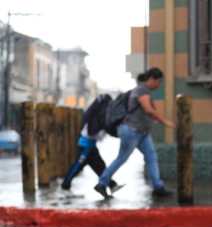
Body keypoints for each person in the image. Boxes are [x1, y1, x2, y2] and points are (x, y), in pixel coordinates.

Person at [94, 67, 175, 199]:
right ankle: (102, 183)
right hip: (131, 131)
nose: (159, 85)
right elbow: (148, 110)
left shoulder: (143, 90)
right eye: (158, 81)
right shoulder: (142, 90)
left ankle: (158, 186)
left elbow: (145, 113)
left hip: (142, 132)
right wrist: (166, 122)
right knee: (122, 158)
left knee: (151, 156)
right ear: (152, 79)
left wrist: (152, 121)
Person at [61, 94, 123, 193]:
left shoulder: (95, 115)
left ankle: (111, 185)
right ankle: (65, 185)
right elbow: (93, 132)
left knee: (100, 166)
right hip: (85, 146)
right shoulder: (96, 116)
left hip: (91, 146)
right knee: (77, 166)